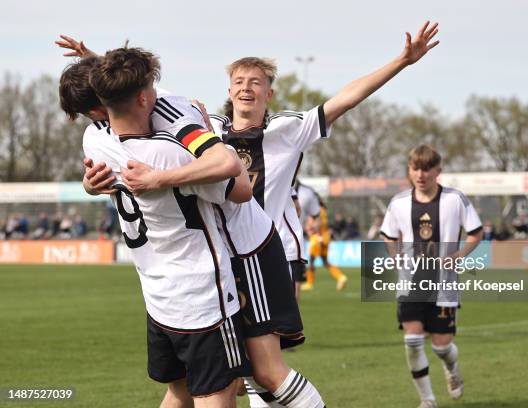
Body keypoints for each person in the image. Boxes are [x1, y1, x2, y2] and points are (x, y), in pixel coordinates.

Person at [57, 39, 324, 408]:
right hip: (211, 268)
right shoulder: (172, 146)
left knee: (255, 374)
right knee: (234, 381)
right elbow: (240, 184)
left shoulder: (96, 142)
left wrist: (105, 183)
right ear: (139, 97)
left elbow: (129, 86)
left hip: (201, 268)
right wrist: (193, 152)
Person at [114, 21, 440, 308]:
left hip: (275, 250)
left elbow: (347, 98)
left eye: (255, 82)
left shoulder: (288, 129)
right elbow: (147, 101)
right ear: (229, 90)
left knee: (270, 354)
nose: (246, 87)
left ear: (268, 93)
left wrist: (402, 61)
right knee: (232, 361)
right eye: (239, 81)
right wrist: (101, 68)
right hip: (221, 253)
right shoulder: (207, 128)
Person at [380, 145, 483, 408]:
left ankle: (452, 368)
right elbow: (388, 235)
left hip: (444, 284)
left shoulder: (455, 199)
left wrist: (459, 255)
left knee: (441, 347)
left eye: (427, 168)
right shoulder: (399, 202)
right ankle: (427, 400)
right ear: (409, 170)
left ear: (438, 171)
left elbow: (476, 233)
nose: (421, 174)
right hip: (410, 282)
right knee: (412, 340)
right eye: (415, 168)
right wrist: (395, 256)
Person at [297, 181, 347, 291]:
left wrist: (309, 229)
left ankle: (309, 283)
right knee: (325, 261)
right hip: (326, 237)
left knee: (311, 261)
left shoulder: (316, 210)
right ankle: (340, 277)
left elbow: (316, 223)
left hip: (317, 238)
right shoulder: (323, 210)